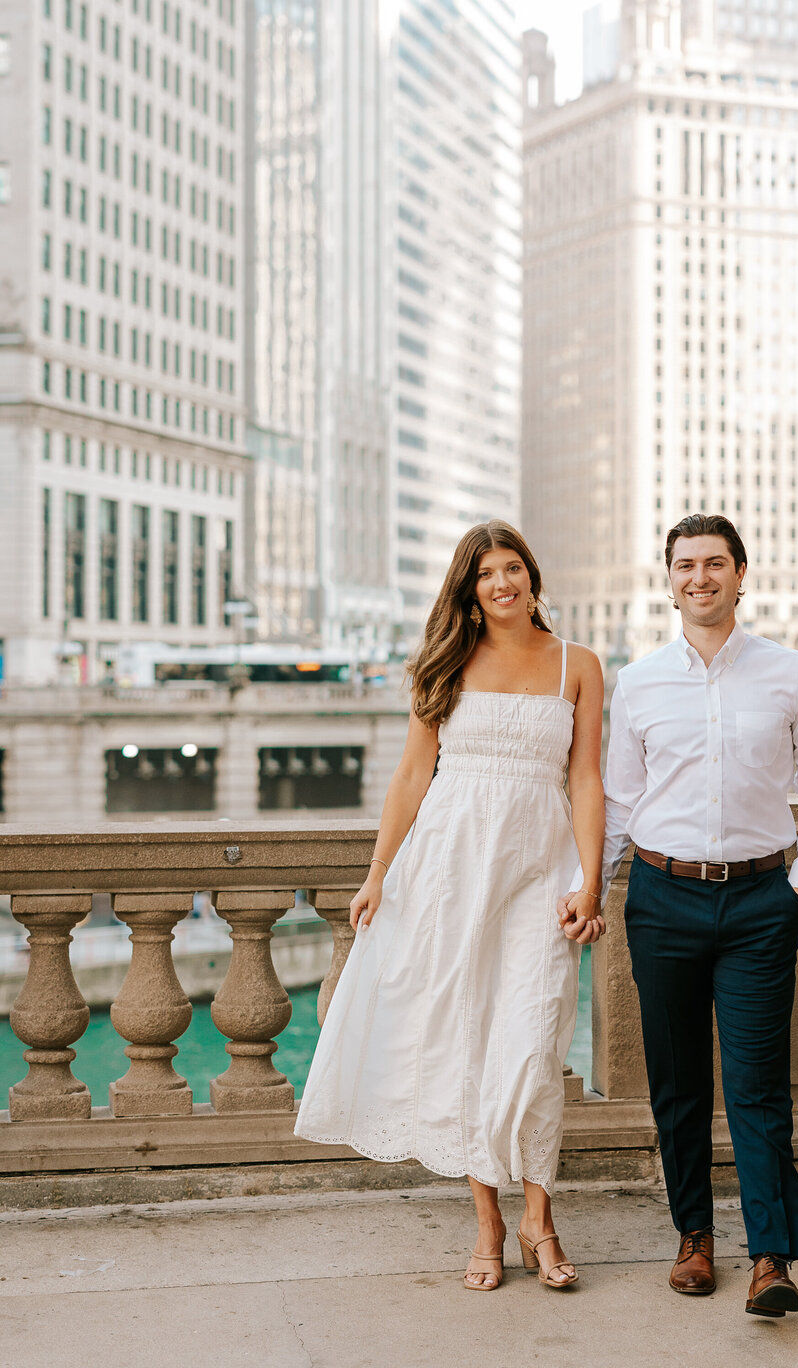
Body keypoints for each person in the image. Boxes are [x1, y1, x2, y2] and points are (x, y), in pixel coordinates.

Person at [296, 520, 606, 1293]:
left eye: (512, 568)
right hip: (450, 869)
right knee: (465, 1041)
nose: (502, 583)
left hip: (541, 873)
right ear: (469, 589)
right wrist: (377, 874)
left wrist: (591, 880)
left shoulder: (579, 664)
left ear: (532, 576)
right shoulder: (444, 663)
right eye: (486, 573)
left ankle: (540, 1216)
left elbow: (586, 780)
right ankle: (490, 1223)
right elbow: (411, 775)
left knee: (535, 1044)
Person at [560, 514, 798, 1319]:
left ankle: (771, 1258)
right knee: (678, 1086)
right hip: (663, 898)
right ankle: (694, 1237)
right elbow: (620, 802)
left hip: (760, 903)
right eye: (685, 565)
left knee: (758, 1089)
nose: (700, 578)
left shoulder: (791, 673)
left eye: (715, 563)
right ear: (670, 580)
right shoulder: (640, 680)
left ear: (740, 575)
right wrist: (591, 886)